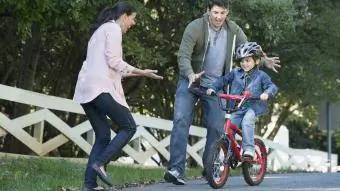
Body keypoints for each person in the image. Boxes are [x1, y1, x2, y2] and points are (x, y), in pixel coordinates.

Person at [164, 0, 280, 185]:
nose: (219, 17)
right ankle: (176, 169)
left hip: (215, 87)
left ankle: (210, 168)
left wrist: (264, 61)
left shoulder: (233, 30)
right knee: (180, 119)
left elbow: (250, 49)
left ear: (227, 13)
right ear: (208, 10)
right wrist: (190, 74)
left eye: (223, 13)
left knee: (217, 128)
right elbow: (183, 55)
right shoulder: (195, 27)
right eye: (215, 12)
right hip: (191, 81)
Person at [73, 1, 163, 191]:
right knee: (129, 126)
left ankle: (89, 186)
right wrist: (140, 71)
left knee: (103, 135)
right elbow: (114, 61)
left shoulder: (99, 32)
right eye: (133, 18)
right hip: (100, 88)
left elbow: (114, 68)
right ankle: (101, 163)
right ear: (124, 15)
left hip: (86, 91)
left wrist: (141, 73)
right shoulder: (113, 29)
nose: (133, 23)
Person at [206, 42, 278, 158]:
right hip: (237, 107)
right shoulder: (235, 73)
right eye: (242, 61)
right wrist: (213, 88)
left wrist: (266, 93)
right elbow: (223, 80)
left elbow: (272, 86)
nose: (244, 64)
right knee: (229, 127)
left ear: (257, 61)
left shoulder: (261, 76)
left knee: (247, 121)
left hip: (252, 107)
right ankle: (229, 151)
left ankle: (249, 149)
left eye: (248, 60)